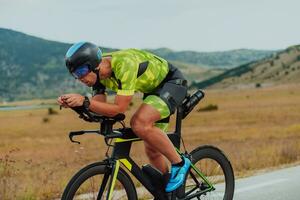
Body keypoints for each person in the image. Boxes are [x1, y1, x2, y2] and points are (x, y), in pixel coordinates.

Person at [57, 41, 191, 192]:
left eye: (81, 71)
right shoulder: (97, 77)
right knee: (152, 150)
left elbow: (118, 109)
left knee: (139, 123)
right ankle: (171, 191)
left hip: (171, 83)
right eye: (75, 74)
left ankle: (180, 163)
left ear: (94, 65)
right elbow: (99, 109)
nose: (79, 78)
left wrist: (84, 100)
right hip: (152, 91)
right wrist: (78, 106)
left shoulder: (124, 65)